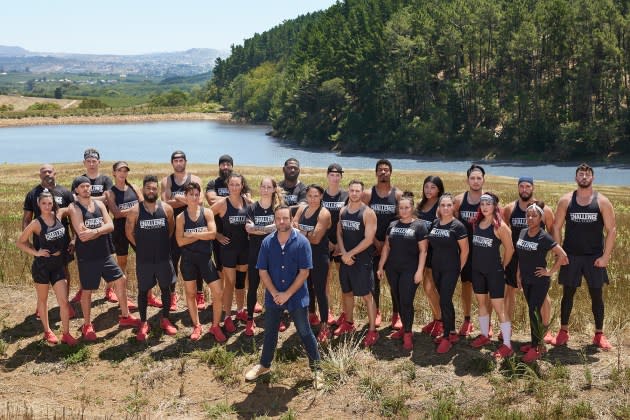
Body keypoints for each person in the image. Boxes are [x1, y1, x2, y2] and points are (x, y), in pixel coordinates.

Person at [244, 205, 322, 390]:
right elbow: (262, 270)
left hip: (297, 297)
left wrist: (287, 294)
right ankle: (264, 365)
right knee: (270, 332)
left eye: (285, 218)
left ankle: (318, 369)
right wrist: (274, 293)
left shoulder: (302, 242)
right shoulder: (267, 242)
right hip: (274, 296)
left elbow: (304, 272)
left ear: (291, 219)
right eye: (278, 218)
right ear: (274, 219)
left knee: (305, 332)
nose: (281, 222)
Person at [551, 163, 616, 350]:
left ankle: (599, 334)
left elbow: (611, 230)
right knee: (568, 293)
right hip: (571, 255)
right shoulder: (566, 200)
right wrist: (559, 253)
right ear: (576, 178)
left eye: (587, 174)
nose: (584, 177)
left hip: (594, 257)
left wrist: (606, 256)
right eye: (581, 174)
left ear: (593, 178)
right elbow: (556, 227)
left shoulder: (602, 201)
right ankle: (563, 331)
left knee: (597, 294)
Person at [67, 176, 140, 341]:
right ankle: (87, 325)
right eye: (82, 187)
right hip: (87, 257)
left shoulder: (99, 204)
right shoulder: (74, 208)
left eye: (88, 186)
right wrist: (100, 230)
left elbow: (111, 226)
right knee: (87, 291)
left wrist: (94, 231)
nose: (87, 189)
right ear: (76, 190)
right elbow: (82, 235)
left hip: (105, 254)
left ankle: (125, 316)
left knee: (120, 279)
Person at [17, 189, 78, 346]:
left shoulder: (58, 216)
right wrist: (36, 252)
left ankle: (66, 334)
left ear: (54, 203)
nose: (47, 206)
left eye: (50, 203)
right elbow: (20, 242)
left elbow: (72, 207)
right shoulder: (36, 223)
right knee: (43, 301)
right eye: (44, 203)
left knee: (64, 302)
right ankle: (47, 331)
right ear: (38, 204)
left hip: (58, 266)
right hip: (42, 267)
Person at [125, 175, 179, 341]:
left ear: (157, 190)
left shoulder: (167, 209)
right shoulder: (135, 211)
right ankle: (143, 322)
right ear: (143, 190)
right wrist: (141, 248)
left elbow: (170, 230)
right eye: (148, 188)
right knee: (142, 291)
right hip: (144, 260)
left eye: (154, 188)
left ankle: (165, 319)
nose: (151, 191)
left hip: (163, 258)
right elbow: (129, 233)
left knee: (166, 289)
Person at [502, 176, 554, 343]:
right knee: (510, 292)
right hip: (516, 257)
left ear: (533, 188)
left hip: (535, 258)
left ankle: (545, 329)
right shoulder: (510, 208)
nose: (525, 189)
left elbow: (552, 233)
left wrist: (552, 258)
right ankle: (506, 328)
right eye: (522, 186)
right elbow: (503, 232)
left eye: (528, 186)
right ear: (518, 188)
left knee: (543, 296)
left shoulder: (545, 210)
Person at [104, 162, 162, 309]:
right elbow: (116, 213)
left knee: (146, 261)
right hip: (120, 231)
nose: (122, 174)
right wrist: (135, 209)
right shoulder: (110, 192)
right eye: (119, 171)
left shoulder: (134, 188)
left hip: (137, 229)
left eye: (125, 171)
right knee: (121, 264)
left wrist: (133, 211)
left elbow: (145, 206)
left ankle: (149, 296)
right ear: (114, 173)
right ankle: (115, 292)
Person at [516, 202, 567, 362]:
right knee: (532, 312)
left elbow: (563, 255)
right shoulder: (523, 232)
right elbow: (521, 256)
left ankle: (535, 347)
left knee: (533, 312)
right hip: (526, 279)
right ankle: (536, 343)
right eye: (528, 215)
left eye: (534, 216)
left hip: (539, 280)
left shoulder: (543, 236)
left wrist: (550, 272)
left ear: (541, 218)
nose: (530, 218)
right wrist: (518, 274)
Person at [377, 192, 428, 350]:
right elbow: (386, 247)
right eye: (401, 208)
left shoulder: (419, 226)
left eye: (407, 207)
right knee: (398, 299)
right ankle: (405, 328)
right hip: (393, 269)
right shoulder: (393, 225)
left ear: (412, 208)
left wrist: (420, 271)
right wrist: (380, 267)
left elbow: (423, 251)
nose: (404, 210)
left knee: (406, 301)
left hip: (410, 270)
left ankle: (408, 333)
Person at [23, 164, 75, 315]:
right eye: (44, 172)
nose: (47, 174)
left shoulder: (65, 192)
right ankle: (41, 305)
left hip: (62, 240)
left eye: (49, 171)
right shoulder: (32, 194)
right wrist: (27, 241)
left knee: (64, 270)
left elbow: (73, 218)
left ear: (55, 173)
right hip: (41, 242)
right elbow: (27, 219)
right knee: (42, 272)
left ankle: (65, 303)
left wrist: (74, 239)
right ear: (40, 175)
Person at [175, 182, 225, 342]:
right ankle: (197, 326)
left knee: (218, 292)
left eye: (197, 194)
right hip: (188, 260)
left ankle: (215, 326)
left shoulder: (207, 213)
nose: (195, 198)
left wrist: (190, 235)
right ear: (186, 196)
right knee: (190, 294)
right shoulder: (180, 217)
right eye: (191, 195)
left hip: (205, 259)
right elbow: (180, 242)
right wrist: (199, 233)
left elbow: (212, 234)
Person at [469, 192, 515, 358]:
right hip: (477, 271)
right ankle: (484, 335)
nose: (485, 207)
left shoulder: (500, 226)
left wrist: (502, 266)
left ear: (495, 205)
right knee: (481, 304)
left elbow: (510, 249)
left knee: (499, 308)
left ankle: (507, 344)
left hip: (494, 272)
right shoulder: (477, 223)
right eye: (482, 204)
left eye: (488, 203)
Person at [335, 180, 379, 347]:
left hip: (362, 260)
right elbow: (339, 233)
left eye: (357, 191)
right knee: (347, 293)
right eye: (351, 190)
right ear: (348, 191)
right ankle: (349, 323)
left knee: (367, 296)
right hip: (346, 258)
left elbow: (368, 240)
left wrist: (351, 254)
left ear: (362, 193)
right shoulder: (343, 211)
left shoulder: (368, 213)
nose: (354, 193)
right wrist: (344, 253)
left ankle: (373, 331)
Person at [72, 148, 118, 304]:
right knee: (84, 262)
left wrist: (89, 199)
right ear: (84, 162)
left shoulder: (105, 179)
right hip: (83, 227)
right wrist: (99, 199)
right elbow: (75, 201)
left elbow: (108, 197)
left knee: (109, 259)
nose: (91, 164)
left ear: (99, 162)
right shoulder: (79, 179)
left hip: (103, 228)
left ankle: (109, 290)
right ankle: (83, 289)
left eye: (94, 161)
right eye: (88, 161)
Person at [362, 159, 403, 329]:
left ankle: (397, 314)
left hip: (393, 245)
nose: (383, 172)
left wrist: (386, 243)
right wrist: (374, 241)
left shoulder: (398, 195)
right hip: (372, 244)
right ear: (376, 173)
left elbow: (403, 221)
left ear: (391, 173)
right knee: (373, 282)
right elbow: (361, 220)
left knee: (395, 282)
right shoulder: (368, 194)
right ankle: (376, 311)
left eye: (386, 170)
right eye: (380, 170)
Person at [427, 194, 469, 353]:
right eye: (442, 205)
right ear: (439, 207)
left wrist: (458, 270)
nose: (445, 208)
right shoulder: (435, 223)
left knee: (444, 300)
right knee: (445, 301)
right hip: (437, 268)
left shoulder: (458, 226)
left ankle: (446, 338)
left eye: (448, 205)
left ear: (453, 207)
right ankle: (452, 332)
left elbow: (465, 251)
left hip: (451, 269)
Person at [161, 150, 202, 311]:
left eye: (181, 160)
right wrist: (187, 201)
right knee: (173, 262)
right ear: (172, 163)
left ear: (186, 161)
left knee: (197, 260)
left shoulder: (195, 179)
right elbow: (166, 205)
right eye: (175, 160)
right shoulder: (167, 181)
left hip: (193, 225)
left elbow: (200, 202)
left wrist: (178, 198)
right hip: (173, 228)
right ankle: (172, 296)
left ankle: (199, 294)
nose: (178, 163)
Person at [210, 173, 250, 333]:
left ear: (242, 186)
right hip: (228, 250)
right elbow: (205, 216)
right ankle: (227, 316)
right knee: (230, 283)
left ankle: (240, 311)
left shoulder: (248, 202)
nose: (234, 187)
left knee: (241, 282)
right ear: (228, 187)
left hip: (244, 249)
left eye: (237, 184)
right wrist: (217, 235)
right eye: (231, 185)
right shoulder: (222, 204)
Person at [293, 184, 333, 342]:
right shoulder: (302, 209)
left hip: (318, 257)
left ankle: (325, 326)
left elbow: (316, 239)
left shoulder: (323, 213)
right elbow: (293, 225)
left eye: (316, 196)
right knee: (307, 288)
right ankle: (311, 316)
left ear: (321, 196)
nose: (313, 199)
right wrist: (306, 232)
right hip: (303, 256)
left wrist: (300, 232)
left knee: (320, 292)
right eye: (310, 196)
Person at [244, 177, 281, 336]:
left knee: (274, 287)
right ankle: (250, 320)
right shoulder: (252, 208)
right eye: (263, 186)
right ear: (259, 188)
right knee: (252, 287)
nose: (265, 189)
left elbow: (278, 227)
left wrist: (258, 228)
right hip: (255, 253)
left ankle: (275, 319)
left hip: (273, 254)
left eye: (269, 187)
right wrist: (268, 228)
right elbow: (248, 229)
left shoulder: (278, 208)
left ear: (273, 189)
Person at [453, 164, 486, 337]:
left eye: (478, 178)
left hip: (484, 252)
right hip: (465, 251)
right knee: (466, 285)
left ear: (483, 180)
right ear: (467, 180)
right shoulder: (459, 200)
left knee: (484, 289)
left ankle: (486, 324)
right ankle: (467, 319)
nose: (475, 181)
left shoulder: (489, 200)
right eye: (472, 178)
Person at [415, 175, 445, 337]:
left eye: (433, 187)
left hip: (436, 252)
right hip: (421, 252)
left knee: (430, 287)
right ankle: (436, 319)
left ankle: (441, 321)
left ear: (439, 189)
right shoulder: (421, 205)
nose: (429, 190)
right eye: (426, 187)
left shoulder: (441, 206)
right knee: (427, 288)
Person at [205, 154, 234, 310]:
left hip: (238, 232)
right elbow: (211, 200)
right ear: (219, 166)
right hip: (218, 233)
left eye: (228, 164)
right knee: (221, 266)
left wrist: (222, 200)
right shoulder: (213, 183)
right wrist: (234, 198)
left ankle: (246, 300)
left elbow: (247, 198)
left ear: (232, 166)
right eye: (222, 164)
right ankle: (220, 296)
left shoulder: (238, 180)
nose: (225, 167)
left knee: (243, 267)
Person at [322, 163, 348, 326]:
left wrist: (340, 243)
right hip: (324, 244)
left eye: (338, 175)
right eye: (332, 174)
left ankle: (345, 312)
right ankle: (328, 311)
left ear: (341, 177)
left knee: (344, 280)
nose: (335, 177)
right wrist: (328, 242)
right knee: (325, 280)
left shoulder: (346, 196)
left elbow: (348, 221)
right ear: (327, 176)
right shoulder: (321, 195)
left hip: (341, 245)